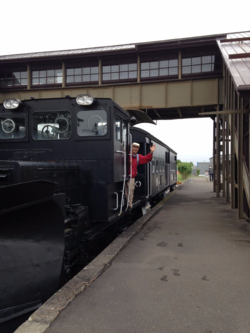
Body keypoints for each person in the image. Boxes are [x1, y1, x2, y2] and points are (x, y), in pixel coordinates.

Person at [125, 142, 156, 212]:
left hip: (131, 176)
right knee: (125, 191)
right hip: (123, 176)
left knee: (130, 190)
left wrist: (151, 152)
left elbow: (147, 159)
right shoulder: (126, 155)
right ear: (131, 147)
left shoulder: (138, 157)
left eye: (137, 147)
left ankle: (129, 205)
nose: (135, 148)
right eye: (134, 147)